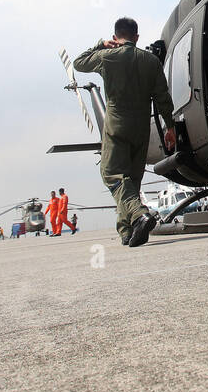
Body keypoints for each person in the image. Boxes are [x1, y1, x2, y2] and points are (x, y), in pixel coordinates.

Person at [74, 17, 175, 246]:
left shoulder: (107, 57)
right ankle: (127, 231)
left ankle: (139, 215)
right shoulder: (150, 61)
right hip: (141, 129)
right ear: (136, 37)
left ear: (115, 36)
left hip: (117, 127)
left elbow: (78, 63)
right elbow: (163, 98)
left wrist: (101, 44)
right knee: (131, 180)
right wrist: (170, 127)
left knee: (112, 174)